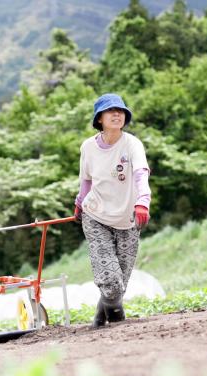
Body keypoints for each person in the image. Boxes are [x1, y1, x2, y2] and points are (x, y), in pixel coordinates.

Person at [75, 93, 151, 327]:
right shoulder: (88, 147)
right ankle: (117, 321)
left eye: (120, 111)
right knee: (111, 280)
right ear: (99, 119)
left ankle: (100, 316)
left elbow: (141, 173)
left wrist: (143, 201)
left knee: (120, 282)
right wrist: (79, 204)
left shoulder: (132, 144)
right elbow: (86, 181)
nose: (117, 114)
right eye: (110, 111)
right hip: (96, 216)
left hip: (128, 218)